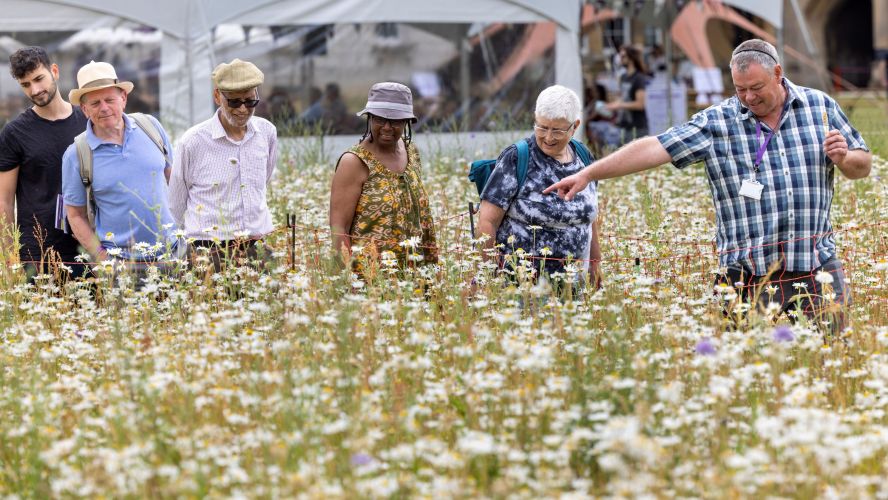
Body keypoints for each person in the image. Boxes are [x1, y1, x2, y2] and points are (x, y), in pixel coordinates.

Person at [545, 39, 872, 332]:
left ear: (777, 72)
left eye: (756, 87)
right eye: (739, 89)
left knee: (831, 360)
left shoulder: (820, 107)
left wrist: (843, 158)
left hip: (816, 268)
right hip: (746, 275)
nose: (748, 97)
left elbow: (861, 165)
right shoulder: (718, 122)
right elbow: (654, 147)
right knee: (740, 373)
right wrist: (590, 174)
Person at [476, 84, 601, 286]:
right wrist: (488, 275)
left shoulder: (584, 158)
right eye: (542, 127)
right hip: (521, 287)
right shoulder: (517, 158)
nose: (548, 137)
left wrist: (595, 265)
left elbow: (590, 217)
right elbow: (487, 222)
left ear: (575, 126)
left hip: (574, 287)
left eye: (557, 131)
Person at [61, 60, 178, 265]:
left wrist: (185, 235)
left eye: (109, 100)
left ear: (123, 98)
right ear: (84, 109)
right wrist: (103, 259)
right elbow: (75, 215)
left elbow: (175, 181)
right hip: (121, 264)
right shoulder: (77, 154)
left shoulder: (150, 127)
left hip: (172, 254)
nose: (104, 108)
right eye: (95, 103)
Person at [169, 58, 278, 271]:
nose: (243, 109)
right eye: (234, 102)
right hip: (209, 251)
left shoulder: (267, 132)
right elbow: (175, 204)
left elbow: (264, 180)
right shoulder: (193, 141)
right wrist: (180, 253)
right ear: (217, 96)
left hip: (257, 245)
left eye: (250, 101)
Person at [329, 82, 437, 273]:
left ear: (407, 122)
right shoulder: (354, 162)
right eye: (379, 120)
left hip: (417, 272)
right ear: (369, 118)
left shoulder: (411, 152)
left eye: (395, 121)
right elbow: (339, 227)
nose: (387, 127)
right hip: (372, 278)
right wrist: (348, 279)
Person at [0, 46, 88, 279]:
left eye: (39, 79)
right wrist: (10, 259)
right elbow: (4, 201)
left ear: (55, 71)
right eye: (26, 84)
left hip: (87, 247)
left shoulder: (87, 121)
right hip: (36, 254)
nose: (35, 90)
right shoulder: (14, 133)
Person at [607, 45, 649, 144]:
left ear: (631, 58)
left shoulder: (639, 78)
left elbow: (640, 104)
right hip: (623, 127)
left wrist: (619, 105)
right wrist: (611, 105)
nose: (620, 59)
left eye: (623, 56)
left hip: (637, 128)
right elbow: (623, 98)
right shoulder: (623, 77)